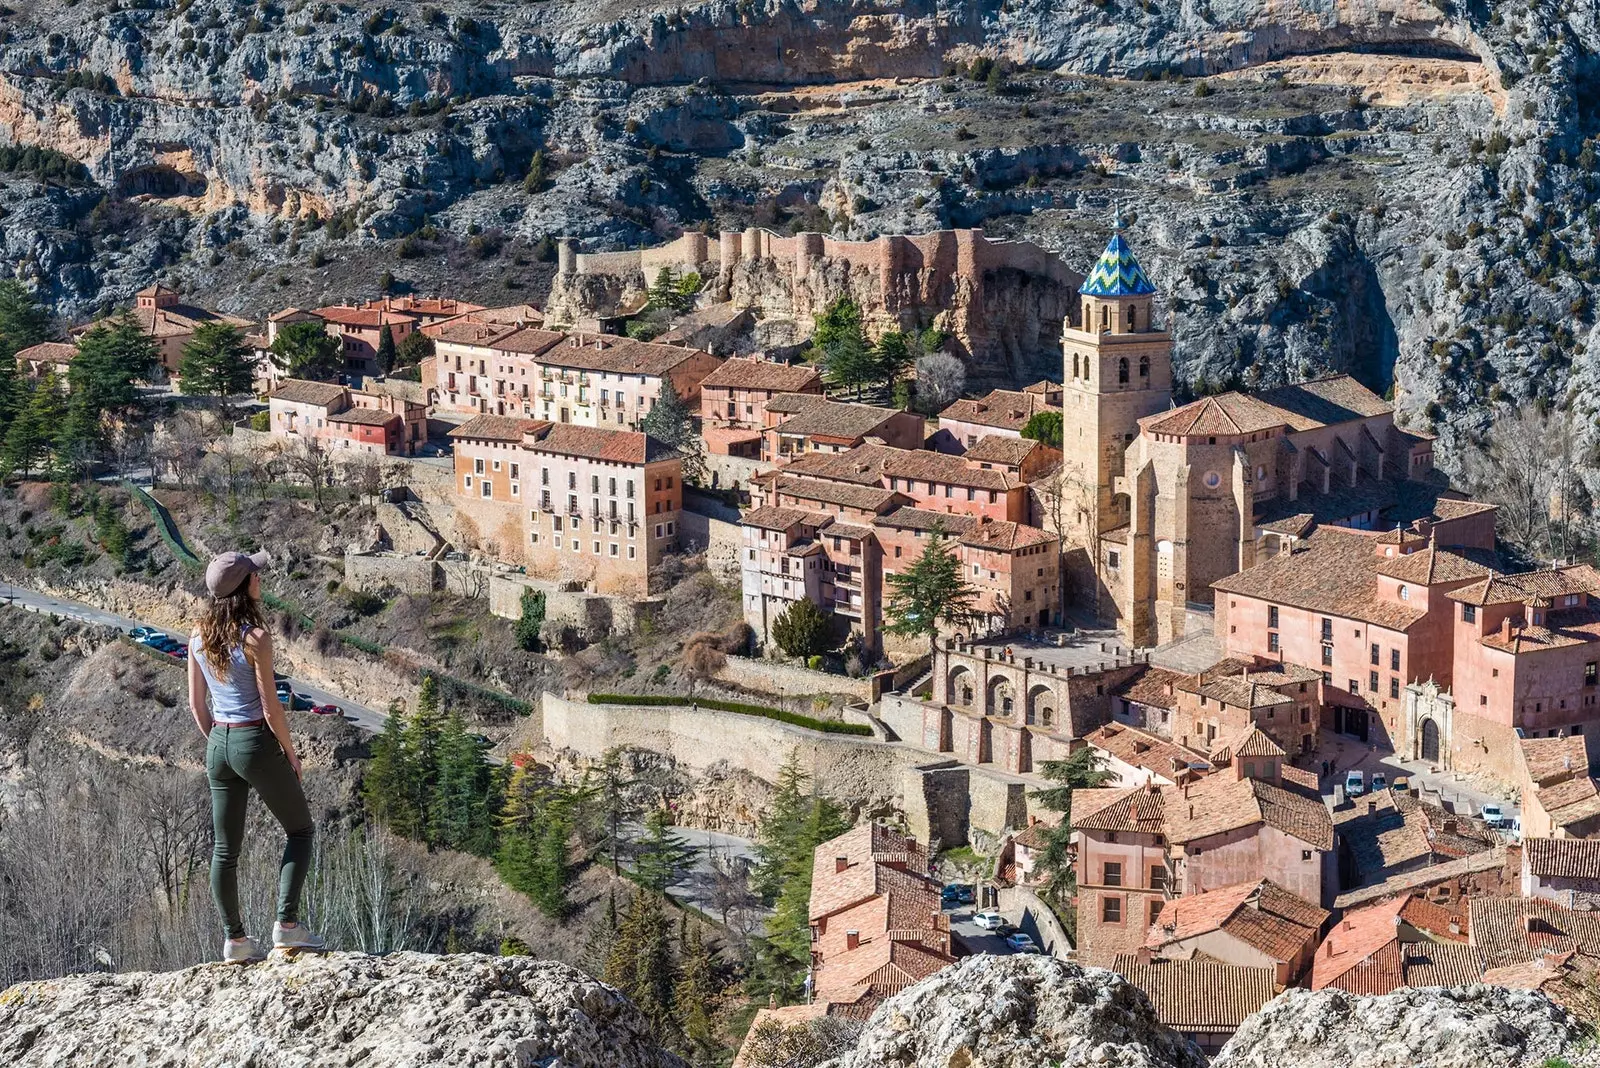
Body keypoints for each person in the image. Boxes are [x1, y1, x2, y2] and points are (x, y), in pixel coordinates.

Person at [188, 550, 324, 962]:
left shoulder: (197, 635)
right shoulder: (255, 639)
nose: (260, 581)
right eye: (255, 576)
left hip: (219, 746)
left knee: (225, 851)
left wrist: (221, 743)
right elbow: (271, 708)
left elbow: (198, 706)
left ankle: (235, 940)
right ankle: (286, 925)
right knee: (300, 831)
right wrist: (290, 753)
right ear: (244, 588)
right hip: (253, 740)